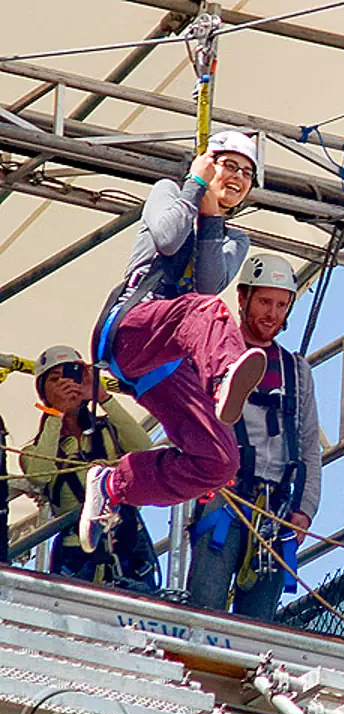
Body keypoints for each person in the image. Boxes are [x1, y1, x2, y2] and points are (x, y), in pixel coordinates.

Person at [82, 131, 269, 552]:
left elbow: (207, 281)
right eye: (229, 165)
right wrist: (194, 186)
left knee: (219, 459)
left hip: (164, 363)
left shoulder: (235, 240)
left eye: (247, 173)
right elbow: (167, 237)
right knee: (207, 311)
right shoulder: (168, 192)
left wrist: (212, 219)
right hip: (132, 326)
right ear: (207, 163)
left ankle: (113, 485)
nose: (238, 177)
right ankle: (223, 377)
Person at [186, 254, 322, 620]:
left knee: (258, 623)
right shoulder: (215, 356)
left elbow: (309, 444)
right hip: (224, 501)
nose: (272, 313)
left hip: (276, 511)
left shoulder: (296, 370)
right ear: (243, 299)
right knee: (205, 611)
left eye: (281, 304)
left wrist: (304, 511)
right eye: (264, 301)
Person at [19, 346, 158, 592]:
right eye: (55, 379)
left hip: (129, 549)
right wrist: (56, 414)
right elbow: (38, 475)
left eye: (71, 376)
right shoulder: (38, 448)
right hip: (76, 556)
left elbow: (145, 449)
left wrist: (102, 396)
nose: (66, 384)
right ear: (43, 391)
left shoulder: (110, 432)